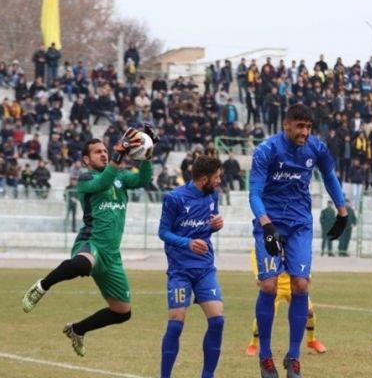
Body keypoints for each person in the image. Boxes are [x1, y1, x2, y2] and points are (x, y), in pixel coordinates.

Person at [21, 126, 157, 356]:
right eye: (98, 152)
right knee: (82, 264)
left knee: (122, 312)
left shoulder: (121, 177)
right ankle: (41, 286)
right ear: (86, 160)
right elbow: (103, 183)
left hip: (112, 255)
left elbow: (144, 179)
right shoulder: (85, 179)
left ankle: (77, 330)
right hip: (91, 241)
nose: (104, 154)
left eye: (105, 151)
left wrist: (148, 152)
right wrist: (118, 155)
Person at [249, 104, 347, 378]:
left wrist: (342, 210)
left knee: (301, 284)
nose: (304, 132)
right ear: (286, 125)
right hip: (270, 222)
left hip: (300, 224)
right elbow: (254, 192)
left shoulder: (317, 148)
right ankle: (265, 356)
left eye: (308, 127)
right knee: (268, 285)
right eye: (299, 126)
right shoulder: (266, 150)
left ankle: (294, 358)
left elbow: (329, 175)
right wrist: (265, 224)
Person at [158, 155, 225, 378]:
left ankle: (207, 375)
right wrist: (187, 243)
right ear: (203, 178)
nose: (219, 181)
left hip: (205, 268)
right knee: (176, 324)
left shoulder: (212, 196)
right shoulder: (174, 198)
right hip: (180, 270)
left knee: (217, 320)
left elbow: (207, 225)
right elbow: (163, 233)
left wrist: (216, 225)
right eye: (216, 177)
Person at [245, 249, 327, 357]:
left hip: (292, 284)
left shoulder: (293, 241)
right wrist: (257, 274)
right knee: (266, 315)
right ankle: (253, 344)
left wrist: (306, 273)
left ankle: (311, 340)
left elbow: (301, 254)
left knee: (309, 311)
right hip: (275, 285)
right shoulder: (270, 238)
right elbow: (255, 253)